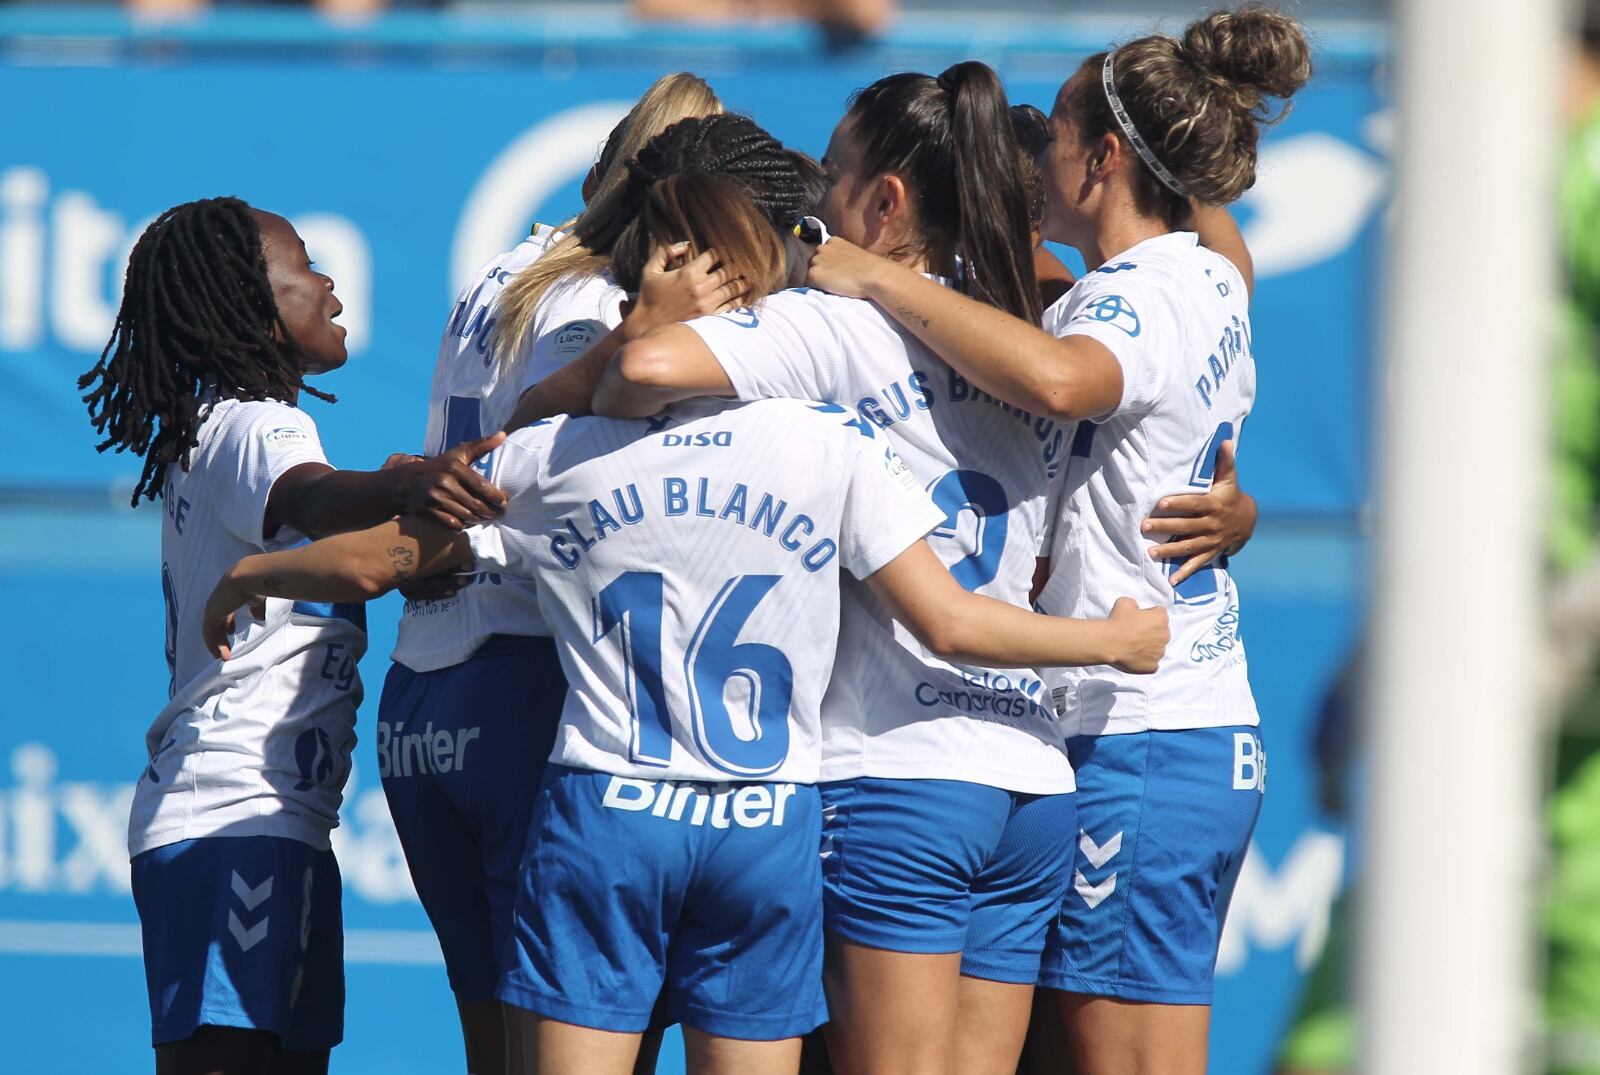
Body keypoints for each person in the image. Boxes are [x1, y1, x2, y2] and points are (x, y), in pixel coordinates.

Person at [197, 172, 1172, 1075]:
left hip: (612, 814)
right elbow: (950, 619)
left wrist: (252, 572)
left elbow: (382, 561)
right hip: (765, 825)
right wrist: (1110, 642)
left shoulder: (559, 453)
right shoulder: (829, 442)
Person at [536, 60, 1254, 1075]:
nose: (813, 205)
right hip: (1029, 777)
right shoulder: (1027, 324)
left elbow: (645, 370)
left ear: (885, 201)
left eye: (831, 177)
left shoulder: (840, 324)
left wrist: (651, 322)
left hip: (896, 768)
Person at [796, 8, 1310, 1073]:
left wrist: (873, 275)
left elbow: (1063, 380)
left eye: (1057, 138)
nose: (1035, 163)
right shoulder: (1210, 272)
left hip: (1141, 730)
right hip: (1179, 722)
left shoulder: (1132, 299)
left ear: (1107, 157)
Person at [77, 196, 505, 1075]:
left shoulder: (218, 423)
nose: (330, 282)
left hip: (274, 823)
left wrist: (406, 533)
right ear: (253, 301)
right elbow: (310, 496)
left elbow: (338, 538)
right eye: (306, 264)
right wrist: (408, 487)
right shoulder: (256, 421)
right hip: (235, 818)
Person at [378, 71, 725, 1075]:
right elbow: (560, 430)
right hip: (523, 679)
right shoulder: (596, 295)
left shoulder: (506, 270)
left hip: (425, 692)